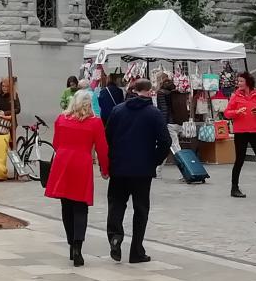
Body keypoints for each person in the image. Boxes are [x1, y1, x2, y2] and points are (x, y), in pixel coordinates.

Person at [105, 78, 171, 264]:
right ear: (150, 92)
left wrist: (113, 157)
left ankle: (115, 237)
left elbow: (107, 136)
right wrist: (154, 160)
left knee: (117, 204)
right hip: (143, 169)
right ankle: (136, 251)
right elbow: (166, 141)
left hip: (119, 167)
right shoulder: (154, 114)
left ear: (133, 90)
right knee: (141, 209)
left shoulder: (118, 110)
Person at [43, 89, 109, 267]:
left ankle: (71, 242)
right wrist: (105, 168)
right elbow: (102, 147)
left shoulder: (61, 119)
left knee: (66, 206)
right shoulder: (95, 123)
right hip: (81, 163)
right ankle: (78, 246)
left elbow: (56, 143)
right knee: (80, 207)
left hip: (63, 162)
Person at [225, 71, 256, 198]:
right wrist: (237, 112)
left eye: (241, 81)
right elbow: (227, 113)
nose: (238, 83)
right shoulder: (235, 96)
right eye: (238, 81)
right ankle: (234, 188)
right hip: (240, 132)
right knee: (239, 160)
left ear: (248, 82)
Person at [155, 72, 186, 154]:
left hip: (169, 122)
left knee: (174, 145)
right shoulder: (175, 93)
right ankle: (159, 165)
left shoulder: (161, 93)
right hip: (178, 121)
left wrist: (162, 123)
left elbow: (163, 109)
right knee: (173, 143)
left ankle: (183, 162)